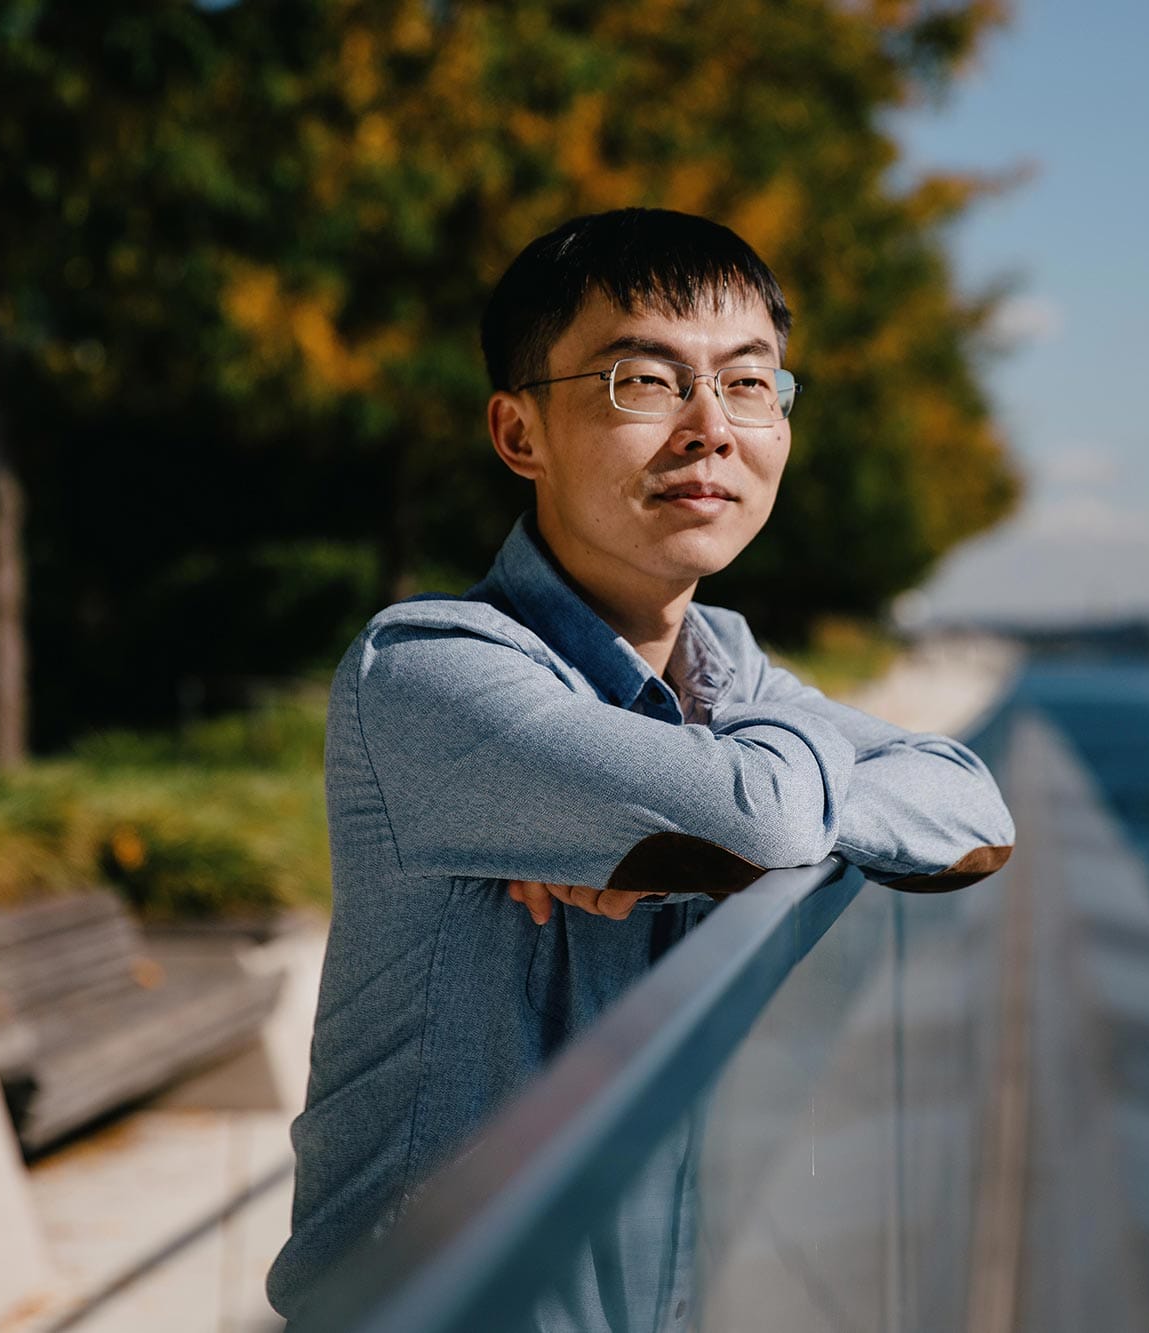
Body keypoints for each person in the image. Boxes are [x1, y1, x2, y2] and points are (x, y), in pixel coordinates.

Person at [267, 207, 1014, 1327]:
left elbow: (970, 808)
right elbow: (762, 822)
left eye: (751, 384)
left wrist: (705, 812)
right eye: (644, 383)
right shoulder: (426, 671)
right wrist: (752, 796)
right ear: (518, 433)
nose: (710, 429)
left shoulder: (730, 675)